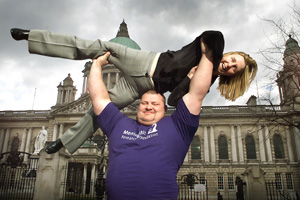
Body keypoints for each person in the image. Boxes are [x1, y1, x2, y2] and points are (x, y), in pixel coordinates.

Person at [10, 28, 257, 154]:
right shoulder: (212, 45)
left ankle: (63, 142)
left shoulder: (206, 80)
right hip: (145, 61)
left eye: (234, 69)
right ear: (231, 53)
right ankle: (32, 37)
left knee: (100, 109)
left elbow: (173, 100)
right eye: (233, 59)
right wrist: (210, 61)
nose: (230, 64)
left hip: (141, 87)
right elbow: (214, 36)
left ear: (232, 76)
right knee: (99, 46)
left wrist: (191, 79)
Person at [88, 36, 213, 198]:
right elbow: (99, 98)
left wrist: (207, 54)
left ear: (165, 109)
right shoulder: (119, 124)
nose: (148, 106)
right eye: (145, 102)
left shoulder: (178, 126)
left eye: (155, 104)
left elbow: (196, 94)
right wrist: (96, 64)